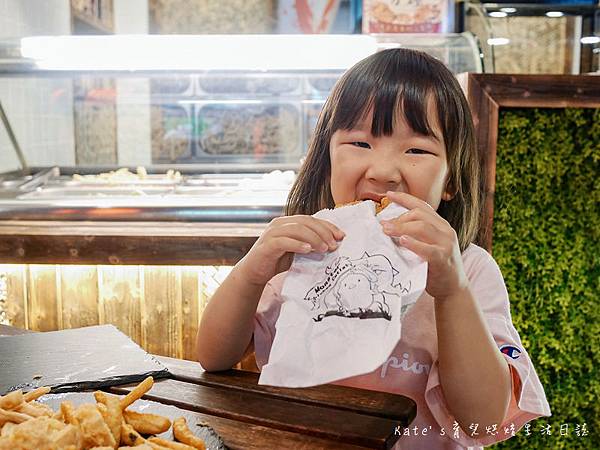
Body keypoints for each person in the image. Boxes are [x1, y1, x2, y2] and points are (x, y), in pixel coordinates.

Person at [196, 48, 551, 448]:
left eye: (416, 150)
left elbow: (482, 422)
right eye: (360, 143)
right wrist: (252, 271)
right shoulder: (304, 254)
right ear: (327, 160)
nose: (382, 171)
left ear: (451, 179)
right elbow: (214, 357)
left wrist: (452, 291)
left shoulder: (469, 270)